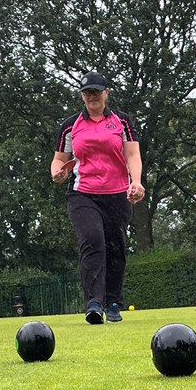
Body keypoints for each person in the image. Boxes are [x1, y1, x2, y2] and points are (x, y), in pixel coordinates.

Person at [51, 71, 144, 324]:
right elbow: (60, 159)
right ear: (82, 96)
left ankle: (113, 302)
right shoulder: (70, 125)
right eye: (87, 92)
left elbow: (133, 154)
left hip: (117, 194)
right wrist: (56, 173)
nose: (92, 96)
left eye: (96, 91)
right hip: (83, 194)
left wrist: (136, 182)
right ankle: (93, 303)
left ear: (106, 93)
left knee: (116, 247)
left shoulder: (122, 122)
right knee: (93, 241)